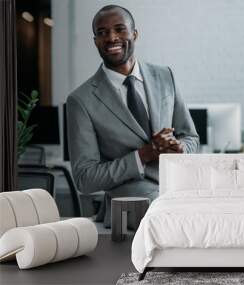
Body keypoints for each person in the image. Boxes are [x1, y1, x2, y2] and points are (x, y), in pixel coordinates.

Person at [66, 5, 199, 227]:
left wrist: (179, 148)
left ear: (134, 34)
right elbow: (85, 178)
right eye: (102, 33)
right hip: (131, 210)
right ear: (95, 41)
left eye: (120, 29)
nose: (111, 37)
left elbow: (191, 138)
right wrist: (143, 155)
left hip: (179, 196)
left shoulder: (165, 76)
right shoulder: (81, 100)